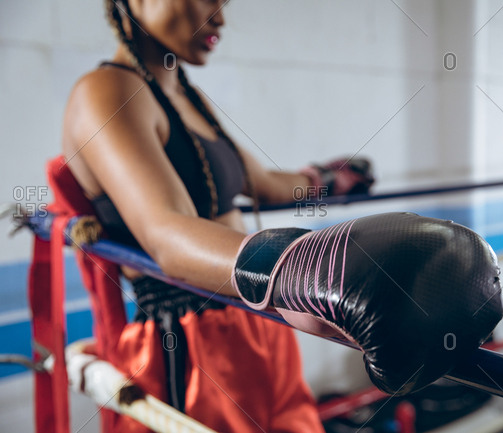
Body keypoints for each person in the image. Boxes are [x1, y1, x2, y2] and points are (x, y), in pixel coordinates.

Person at [60, 0, 373, 432]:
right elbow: (167, 235)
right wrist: (307, 275)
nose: (221, 17)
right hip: (189, 341)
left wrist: (326, 179)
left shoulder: (188, 97)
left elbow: (260, 182)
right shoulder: (106, 92)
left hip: (258, 318)